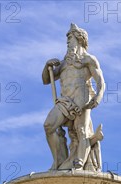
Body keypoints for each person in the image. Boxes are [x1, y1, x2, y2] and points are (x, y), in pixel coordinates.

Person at [42, 23, 105, 171]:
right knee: (48, 126)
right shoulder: (64, 63)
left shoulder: (89, 59)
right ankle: (59, 160)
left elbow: (101, 81)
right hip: (64, 101)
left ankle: (79, 163)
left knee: (81, 130)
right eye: (67, 40)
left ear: (79, 39)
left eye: (70, 39)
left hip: (81, 98)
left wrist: (98, 96)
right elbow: (46, 80)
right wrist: (47, 66)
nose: (68, 42)